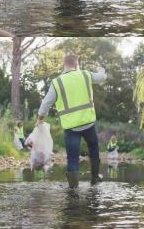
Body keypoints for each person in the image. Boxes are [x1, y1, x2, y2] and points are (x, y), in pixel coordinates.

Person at [36, 54, 107, 188]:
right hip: (88, 124)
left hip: (71, 128)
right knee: (93, 150)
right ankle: (95, 179)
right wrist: (102, 70)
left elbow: (46, 103)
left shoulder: (57, 82)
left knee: (73, 158)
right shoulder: (85, 75)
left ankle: (73, 189)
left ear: (64, 65)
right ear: (77, 64)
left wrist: (40, 119)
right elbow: (101, 77)